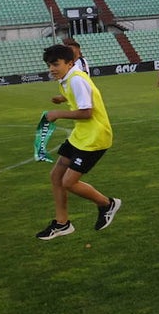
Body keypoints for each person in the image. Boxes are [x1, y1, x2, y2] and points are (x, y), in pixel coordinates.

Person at [36, 44, 121, 240]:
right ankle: (62, 223)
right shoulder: (67, 79)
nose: (51, 69)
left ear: (69, 63)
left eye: (55, 64)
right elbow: (76, 96)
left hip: (94, 137)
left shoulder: (76, 80)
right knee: (56, 176)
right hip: (81, 135)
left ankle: (107, 204)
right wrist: (62, 98)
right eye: (49, 65)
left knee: (68, 182)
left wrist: (58, 113)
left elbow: (87, 111)